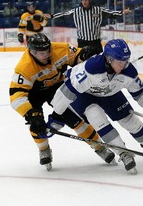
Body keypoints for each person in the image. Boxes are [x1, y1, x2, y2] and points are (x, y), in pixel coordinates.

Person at [50, 39, 143, 174]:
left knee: (130, 121)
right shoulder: (91, 69)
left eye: (126, 61)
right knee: (97, 118)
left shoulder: (128, 71)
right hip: (84, 95)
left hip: (109, 93)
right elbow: (66, 91)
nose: (124, 65)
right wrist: (57, 115)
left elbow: (140, 91)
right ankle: (123, 153)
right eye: (120, 62)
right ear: (109, 59)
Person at [9, 33, 114, 171]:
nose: (47, 54)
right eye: (42, 53)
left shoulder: (60, 49)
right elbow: (16, 95)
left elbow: (77, 57)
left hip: (56, 88)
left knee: (75, 120)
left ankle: (98, 147)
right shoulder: (24, 67)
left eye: (48, 50)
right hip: (33, 94)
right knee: (36, 123)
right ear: (32, 52)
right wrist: (30, 114)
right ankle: (44, 149)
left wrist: (85, 55)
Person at [45, 0, 131, 54]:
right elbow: (64, 14)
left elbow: (111, 13)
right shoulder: (76, 11)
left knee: (99, 62)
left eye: (86, 0)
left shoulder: (98, 10)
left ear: (89, 0)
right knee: (82, 64)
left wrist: (121, 12)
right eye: (82, 0)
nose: (84, 2)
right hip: (83, 42)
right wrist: (52, 16)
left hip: (95, 42)